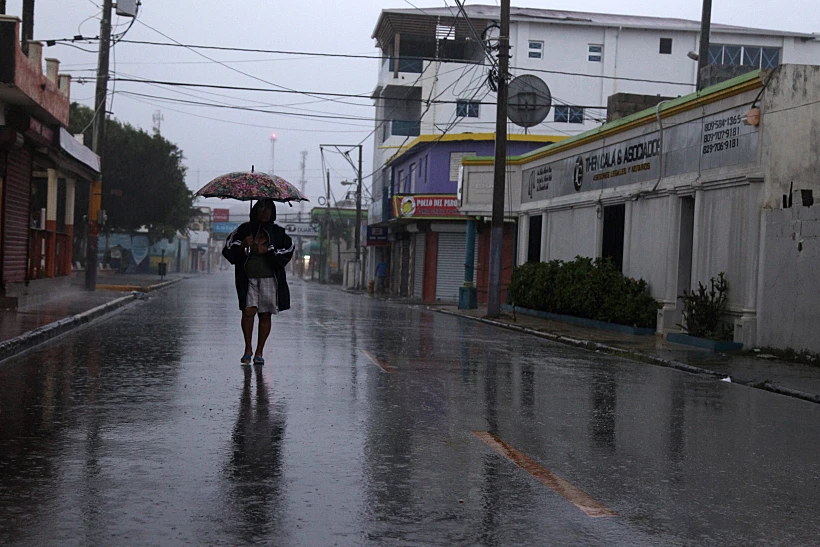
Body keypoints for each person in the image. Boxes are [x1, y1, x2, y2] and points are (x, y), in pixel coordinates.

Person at [222, 199, 294, 365]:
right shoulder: (243, 230)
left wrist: (267, 250)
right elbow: (227, 248)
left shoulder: (278, 233)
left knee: (265, 314)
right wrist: (242, 245)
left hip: (269, 279)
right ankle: (248, 348)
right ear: (255, 211)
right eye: (261, 208)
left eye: (268, 208)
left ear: (273, 212)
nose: (265, 212)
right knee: (248, 312)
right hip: (247, 278)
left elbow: (288, 250)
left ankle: (259, 351)